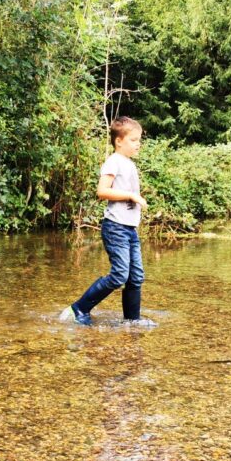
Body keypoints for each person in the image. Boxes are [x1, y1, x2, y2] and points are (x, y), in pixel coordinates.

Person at [66, 117, 154, 326]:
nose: (138, 143)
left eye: (139, 139)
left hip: (129, 229)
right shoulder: (114, 161)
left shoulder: (129, 164)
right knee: (119, 275)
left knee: (135, 277)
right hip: (115, 227)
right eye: (133, 140)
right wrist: (131, 196)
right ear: (119, 141)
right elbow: (102, 191)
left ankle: (132, 321)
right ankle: (79, 308)